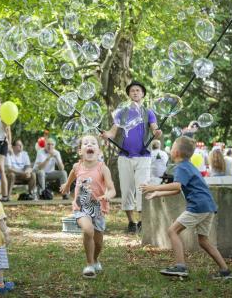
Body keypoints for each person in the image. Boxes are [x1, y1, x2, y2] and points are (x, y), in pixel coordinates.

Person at [140, 136, 232, 279]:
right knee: (203, 241)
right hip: (208, 207)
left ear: (176, 152)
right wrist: (158, 193)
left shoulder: (181, 167)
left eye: (172, 147)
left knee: (172, 231)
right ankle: (225, 271)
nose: (170, 150)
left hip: (198, 206)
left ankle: (180, 266)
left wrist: (153, 186)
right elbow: (178, 189)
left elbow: (177, 186)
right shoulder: (188, 166)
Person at [101, 81, 162, 234]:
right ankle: (131, 222)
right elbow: (112, 133)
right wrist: (106, 135)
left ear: (143, 94)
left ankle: (142, 220)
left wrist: (157, 133)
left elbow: (154, 129)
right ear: (129, 94)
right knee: (126, 188)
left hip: (143, 156)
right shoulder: (123, 112)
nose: (135, 92)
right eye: (132, 91)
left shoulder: (148, 112)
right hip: (125, 156)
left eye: (138, 90)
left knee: (142, 187)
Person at [59, 135, 116, 279]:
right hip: (81, 207)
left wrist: (108, 195)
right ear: (80, 151)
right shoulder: (77, 166)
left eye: (93, 143)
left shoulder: (103, 168)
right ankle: (89, 264)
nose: (89, 145)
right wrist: (66, 185)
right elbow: (72, 174)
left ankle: (95, 259)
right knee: (88, 230)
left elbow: (112, 188)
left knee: (98, 242)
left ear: (99, 151)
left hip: (98, 208)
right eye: (86, 143)